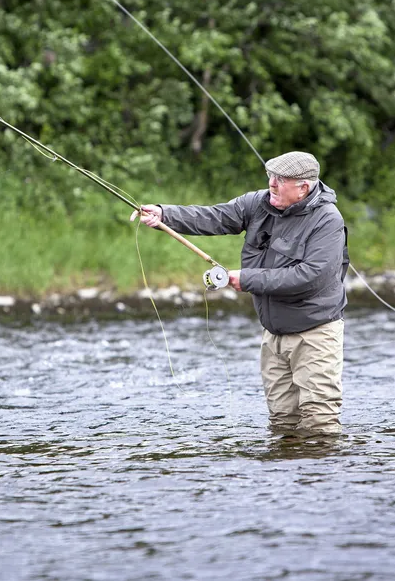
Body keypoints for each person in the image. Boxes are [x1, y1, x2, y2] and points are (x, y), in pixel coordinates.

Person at [136, 151, 349, 435]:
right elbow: (214, 217)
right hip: (273, 335)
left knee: (319, 423)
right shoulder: (258, 203)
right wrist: (165, 214)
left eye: (281, 180)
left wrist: (247, 278)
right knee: (282, 423)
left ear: (303, 188)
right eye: (270, 176)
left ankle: (321, 478)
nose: (272, 184)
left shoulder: (327, 220)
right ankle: (284, 477)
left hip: (315, 335)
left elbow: (310, 277)